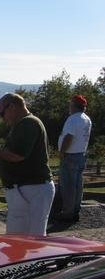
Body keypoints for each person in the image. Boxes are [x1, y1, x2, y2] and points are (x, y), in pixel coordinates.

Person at [0, 92, 54, 236]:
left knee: (31, 237)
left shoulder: (28, 123)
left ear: (12, 107)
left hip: (32, 187)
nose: (2, 118)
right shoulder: (24, 124)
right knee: (20, 236)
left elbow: (17, 155)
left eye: (2, 114)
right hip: (28, 187)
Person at [57, 94, 92, 222]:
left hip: (70, 155)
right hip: (81, 154)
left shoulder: (72, 119)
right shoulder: (87, 119)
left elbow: (69, 137)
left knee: (68, 186)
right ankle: (75, 210)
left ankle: (67, 213)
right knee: (78, 185)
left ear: (73, 105)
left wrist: (62, 152)